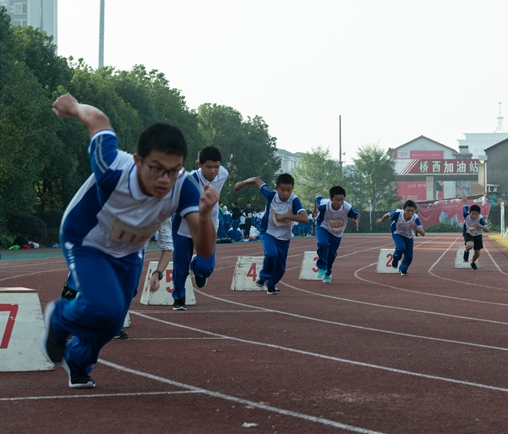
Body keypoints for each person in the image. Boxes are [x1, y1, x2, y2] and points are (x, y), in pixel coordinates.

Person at [42, 94, 218, 389]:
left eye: (173, 171)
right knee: (104, 306)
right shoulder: (113, 168)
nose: (165, 179)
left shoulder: (184, 186)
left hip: (129, 251)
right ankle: (59, 318)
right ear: (138, 161)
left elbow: (204, 251)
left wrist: (206, 215)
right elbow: (97, 120)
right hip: (86, 239)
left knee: (113, 321)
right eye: (157, 169)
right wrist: (73, 108)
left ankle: (78, 362)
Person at [171, 146, 228, 310]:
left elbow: (219, 171)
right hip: (184, 227)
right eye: (209, 167)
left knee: (206, 268)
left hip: (208, 227)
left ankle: (198, 267)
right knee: (180, 266)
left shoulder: (223, 174)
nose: (213, 171)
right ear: (199, 164)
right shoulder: (188, 181)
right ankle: (179, 299)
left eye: (216, 166)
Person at [233, 173, 308, 295]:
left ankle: (271, 284)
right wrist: (242, 183)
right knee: (271, 254)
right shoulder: (271, 194)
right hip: (268, 232)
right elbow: (257, 179)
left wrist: (286, 216)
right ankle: (263, 277)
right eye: (282, 190)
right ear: (276, 188)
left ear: (292, 189)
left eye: (289, 190)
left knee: (281, 268)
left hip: (284, 236)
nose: (285, 194)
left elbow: (305, 218)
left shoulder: (294, 200)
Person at [313, 186, 360, 283]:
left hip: (337, 232)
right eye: (336, 200)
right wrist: (315, 207)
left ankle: (328, 273)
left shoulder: (347, 207)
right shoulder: (323, 204)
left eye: (341, 200)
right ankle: (321, 267)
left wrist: (356, 221)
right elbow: (317, 197)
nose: (339, 203)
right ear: (331, 199)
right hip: (323, 227)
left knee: (332, 254)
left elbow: (357, 215)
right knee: (322, 243)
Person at [376, 200, 425, 276]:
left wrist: (416, 228)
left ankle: (403, 269)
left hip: (408, 236)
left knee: (409, 256)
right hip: (397, 233)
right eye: (408, 210)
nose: (410, 213)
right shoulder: (397, 213)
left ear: (414, 210)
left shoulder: (415, 218)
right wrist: (381, 221)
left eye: (412, 211)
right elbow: (387, 215)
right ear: (404, 209)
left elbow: (423, 233)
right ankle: (395, 258)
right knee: (401, 248)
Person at [460, 187, 489, 270]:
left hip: (477, 235)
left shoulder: (481, 219)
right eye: (472, 214)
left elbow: (487, 230)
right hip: (468, 232)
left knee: (477, 253)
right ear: (470, 213)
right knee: (469, 245)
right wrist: (462, 191)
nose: (474, 216)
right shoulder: (466, 214)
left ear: (479, 214)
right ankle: (466, 251)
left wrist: (480, 226)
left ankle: (472, 262)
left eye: (476, 214)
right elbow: (465, 201)